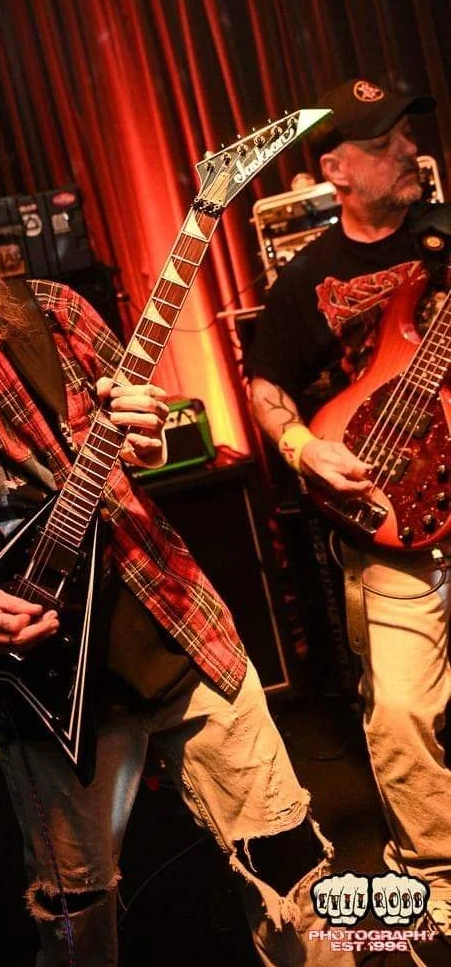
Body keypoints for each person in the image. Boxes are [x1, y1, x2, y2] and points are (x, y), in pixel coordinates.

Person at [0, 160, 335, 967]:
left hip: (176, 628)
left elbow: (142, 443)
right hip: (44, 686)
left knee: (287, 864)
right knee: (74, 920)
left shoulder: (51, 313)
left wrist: (145, 430)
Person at [247, 79, 451, 947]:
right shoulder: (308, 278)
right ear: (336, 170)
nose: (408, 148)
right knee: (401, 712)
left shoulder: (445, 237)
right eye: (384, 140)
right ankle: (437, 877)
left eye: (408, 132)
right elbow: (264, 385)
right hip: (392, 521)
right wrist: (305, 449)